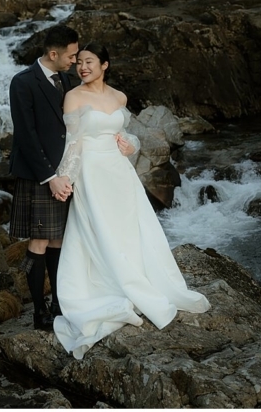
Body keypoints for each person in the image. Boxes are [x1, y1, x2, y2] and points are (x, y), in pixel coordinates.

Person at [50, 44, 210, 359]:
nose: (83, 67)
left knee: (128, 225)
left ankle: (140, 276)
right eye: (79, 62)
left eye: (89, 62)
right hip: (91, 172)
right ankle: (111, 284)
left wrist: (129, 145)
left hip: (120, 172)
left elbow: (129, 135)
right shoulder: (74, 97)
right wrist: (65, 178)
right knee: (99, 227)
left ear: (104, 65)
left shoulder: (119, 97)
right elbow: (72, 143)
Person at [8, 24, 80, 331]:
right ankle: (38, 310)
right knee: (37, 241)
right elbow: (26, 135)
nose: (75, 61)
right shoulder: (22, 82)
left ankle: (58, 303)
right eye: (72, 56)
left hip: (64, 174)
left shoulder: (67, 79)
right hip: (40, 176)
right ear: (54, 53)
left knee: (59, 239)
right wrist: (50, 176)